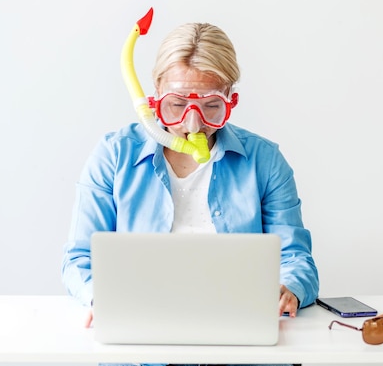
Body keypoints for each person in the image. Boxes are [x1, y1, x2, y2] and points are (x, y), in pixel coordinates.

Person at [61, 19, 319, 365]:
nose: (192, 124)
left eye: (211, 106)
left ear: (231, 96)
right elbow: (78, 259)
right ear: (154, 95)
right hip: (139, 350)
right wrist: (99, 298)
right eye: (177, 104)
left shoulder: (265, 160)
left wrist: (289, 289)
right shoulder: (113, 155)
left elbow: (297, 259)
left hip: (242, 349)